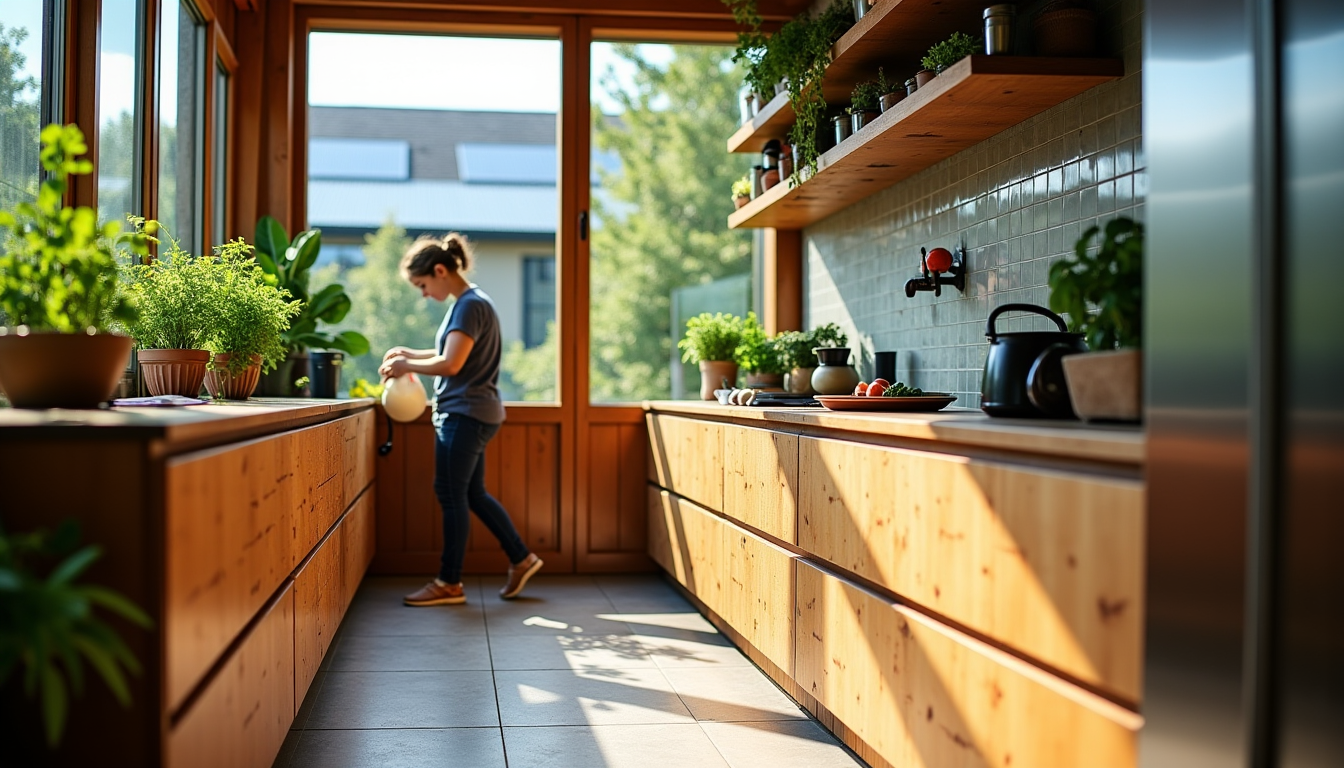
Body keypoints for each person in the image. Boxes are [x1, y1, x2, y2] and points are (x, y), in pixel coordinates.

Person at [379, 233, 543, 606]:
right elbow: (450, 352)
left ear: (440, 270)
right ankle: (522, 557)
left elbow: (451, 364)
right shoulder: (471, 303)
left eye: (422, 285)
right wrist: (408, 353)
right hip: (475, 412)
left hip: (465, 413)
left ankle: (449, 582)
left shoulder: (469, 306)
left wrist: (408, 365)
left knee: (450, 494)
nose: (423, 294)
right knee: (471, 493)